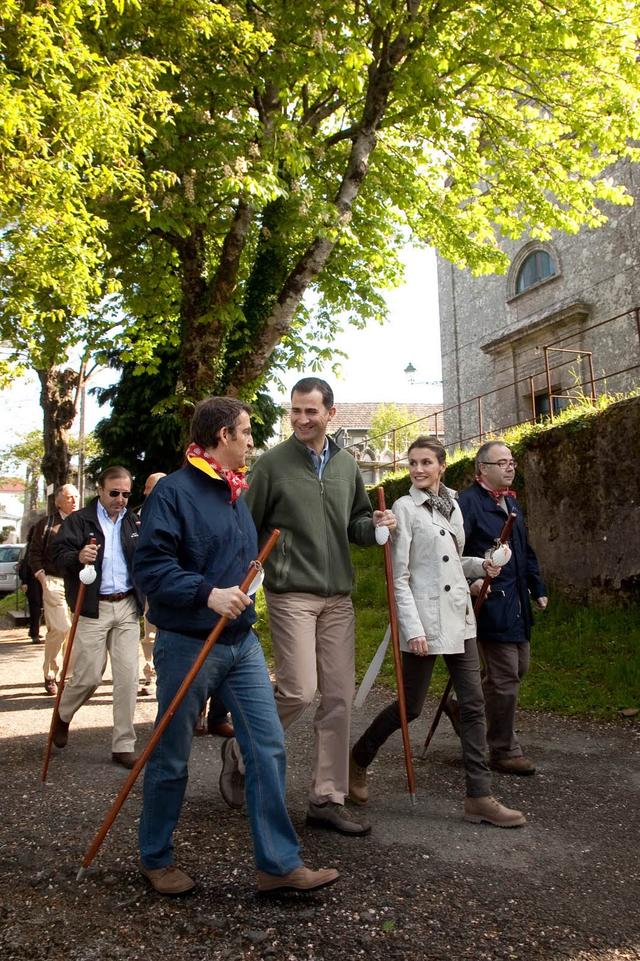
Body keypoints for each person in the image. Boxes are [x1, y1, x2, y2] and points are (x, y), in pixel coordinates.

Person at [133, 396, 338, 896]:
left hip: (240, 643)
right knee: (172, 755)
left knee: (267, 747)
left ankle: (278, 864)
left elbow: (240, 562)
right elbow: (151, 569)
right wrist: (208, 593)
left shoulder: (234, 492)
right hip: (188, 642)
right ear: (223, 435)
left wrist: (250, 580)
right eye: (245, 432)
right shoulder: (173, 493)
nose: (251, 440)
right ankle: (155, 858)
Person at [223, 377, 395, 838]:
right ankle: (240, 749)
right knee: (299, 691)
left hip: (338, 596)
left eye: (311, 411)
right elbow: (245, 525)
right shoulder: (272, 464)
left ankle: (327, 799)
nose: (301, 419)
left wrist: (376, 526)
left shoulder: (346, 464)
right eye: (295, 411)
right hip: (290, 593)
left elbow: (356, 523)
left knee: (338, 698)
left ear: (330, 414)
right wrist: (246, 578)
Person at [348, 436, 526, 827]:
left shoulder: (454, 504)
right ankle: (358, 758)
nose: (418, 469)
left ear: (442, 466)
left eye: (426, 462)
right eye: (413, 463)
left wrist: (481, 566)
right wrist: (411, 629)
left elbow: (451, 561)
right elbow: (400, 576)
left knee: (473, 704)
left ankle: (479, 796)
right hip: (424, 623)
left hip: (459, 619)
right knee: (410, 707)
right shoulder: (404, 508)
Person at [456, 440, 548, 775]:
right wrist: (470, 582)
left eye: (512, 461)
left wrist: (537, 586)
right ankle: (504, 749)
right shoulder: (466, 503)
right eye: (502, 462)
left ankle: (464, 709)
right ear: (482, 469)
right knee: (505, 676)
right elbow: (451, 553)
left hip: (517, 601)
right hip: (490, 602)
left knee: (518, 668)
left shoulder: (510, 502)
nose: (510, 467)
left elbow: (525, 549)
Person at [50, 467, 144, 769]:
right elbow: (57, 556)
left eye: (126, 494)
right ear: (100, 490)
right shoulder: (80, 521)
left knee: (128, 677)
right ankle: (63, 714)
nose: (120, 499)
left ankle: (123, 745)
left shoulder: (133, 521)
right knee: (89, 676)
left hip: (127, 605)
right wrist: (78, 556)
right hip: (93, 607)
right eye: (114, 493)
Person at [28, 484, 79, 694]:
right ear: (58, 501)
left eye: (76, 496)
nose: (74, 500)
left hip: (78, 583)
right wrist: (42, 578)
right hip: (54, 580)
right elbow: (33, 553)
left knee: (75, 631)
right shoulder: (46, 524)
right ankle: (50, 674)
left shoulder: (84, 522)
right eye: (69, 497)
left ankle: (67, 676)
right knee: (60, 627)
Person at [137, 472, 166, 695]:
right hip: (150, 584)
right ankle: (151, 673)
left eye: (149, 487)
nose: (145, 492)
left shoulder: (178, 510)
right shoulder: (139, 515)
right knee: (151, 632)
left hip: (173, 582)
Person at [19, 527, 43, 643]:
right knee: (35, 607)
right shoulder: (31, 546)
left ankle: (34, 631)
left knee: (39, 607)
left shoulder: (40, 545)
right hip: (32, 581)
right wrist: (24, 581)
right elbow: (25, 565)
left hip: (40, 580)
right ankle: (34, 633)